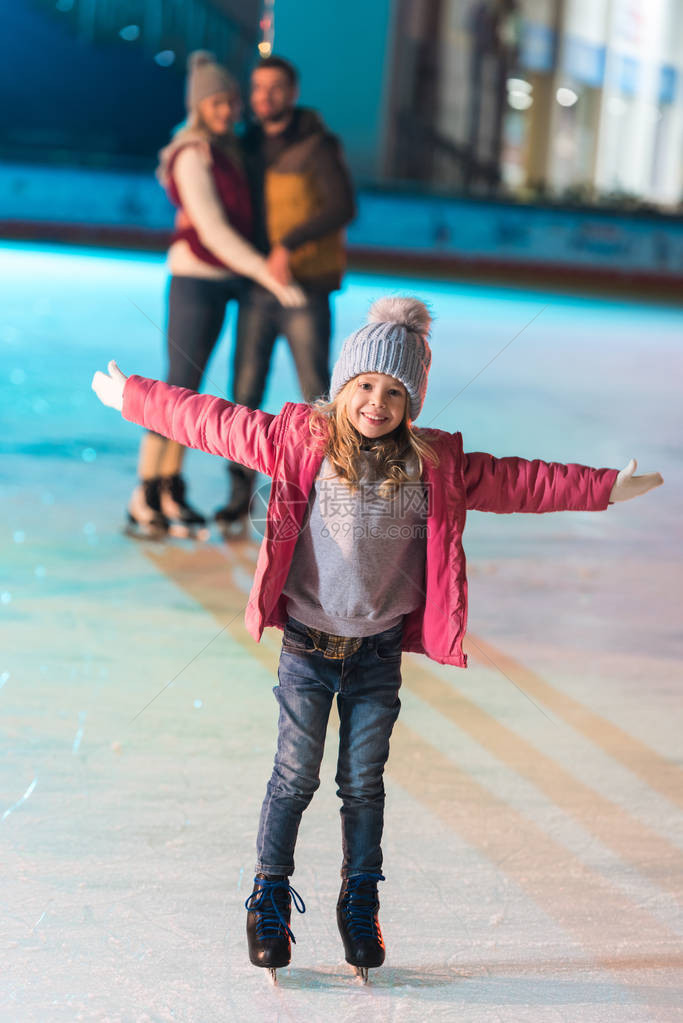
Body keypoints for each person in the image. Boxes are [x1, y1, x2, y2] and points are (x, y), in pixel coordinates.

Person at [91, 296, 663, 981]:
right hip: (307, 645)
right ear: (341, 387)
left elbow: (519, 480)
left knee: (362, 783)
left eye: (394, 391)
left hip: (375, 654)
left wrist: (603, 487)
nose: (376, 402)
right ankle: (269, 894)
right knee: (295, 774)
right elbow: (211, 422)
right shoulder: (297, 439)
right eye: (364, 385)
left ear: (412, 400)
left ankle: (358, 900)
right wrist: (135, 396)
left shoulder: (433, 464)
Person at [128, 50, 304, 540]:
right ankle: (144, 493)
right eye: (216, 103)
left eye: (231, 102)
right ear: (198, 105)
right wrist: (269, 275)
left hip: (225, 281)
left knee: (192, 390)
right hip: (196, 280)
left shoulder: (227, 149)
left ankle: (169, 486)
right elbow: (214, 230)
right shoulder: (191, 153)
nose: (227, 111)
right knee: (177, 383)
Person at [214, 54, 356, 533]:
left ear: (292, 93)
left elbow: (342, 207)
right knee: (244, 394)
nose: (264, 97)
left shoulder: (316, 145)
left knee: (317, 393)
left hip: (305, 290)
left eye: (274, 88)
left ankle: (329, 494)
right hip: (257, 290)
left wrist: (287, 246)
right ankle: (237, 494)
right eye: (257, 89)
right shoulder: (246, 144)